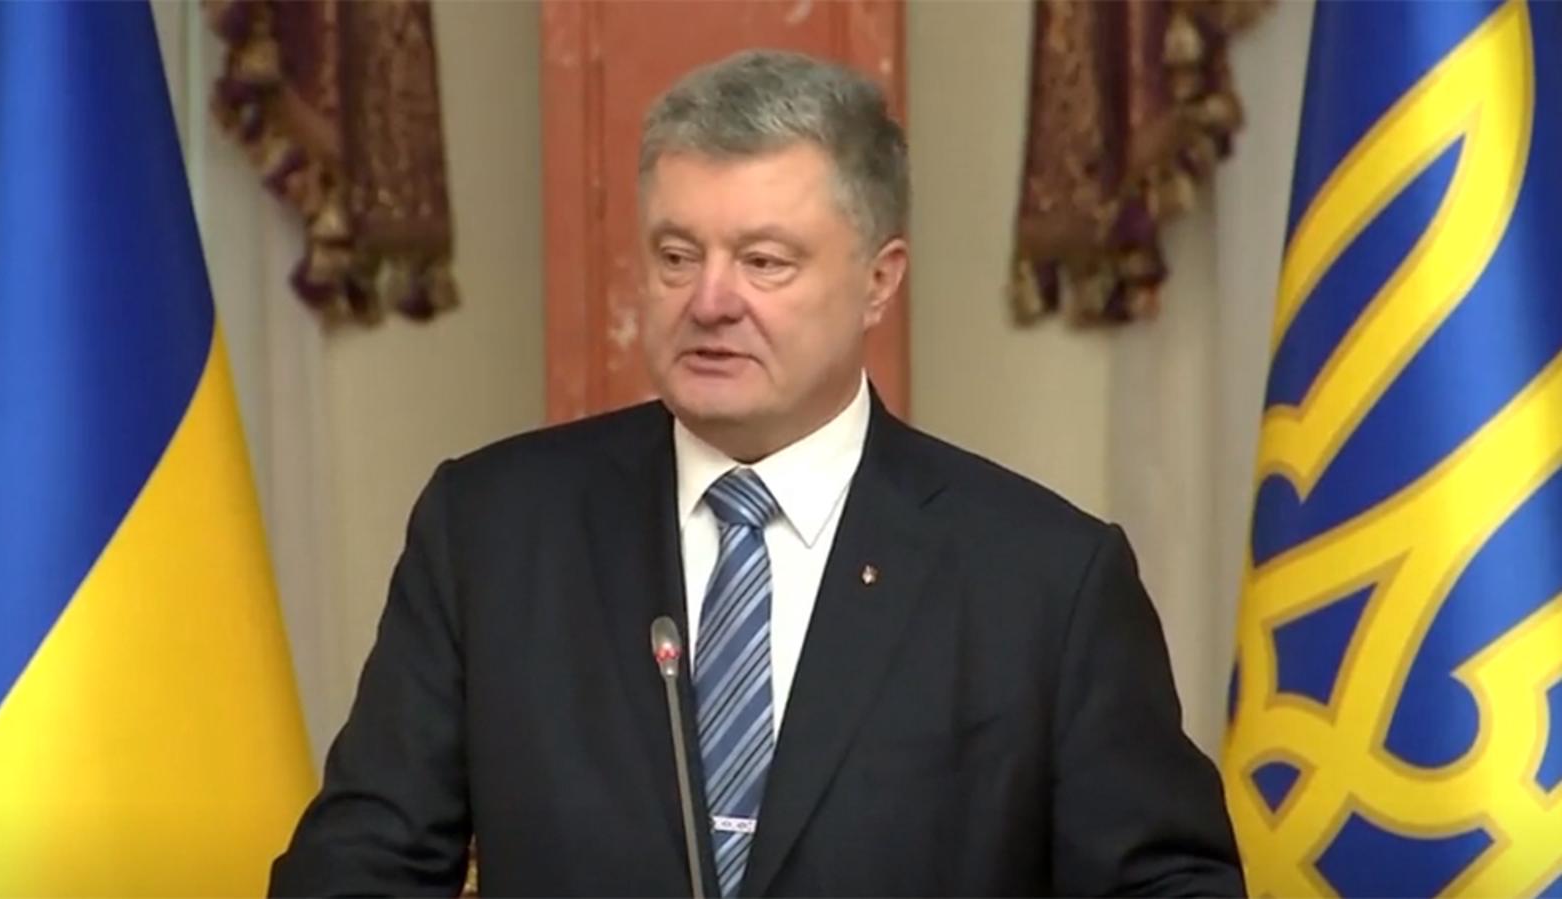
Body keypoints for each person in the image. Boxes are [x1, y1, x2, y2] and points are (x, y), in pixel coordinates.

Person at [270, 49, 1244, 897]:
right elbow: (356, 868)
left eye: (765, 261)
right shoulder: (491, 531)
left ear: (878, 279)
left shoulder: (1044, 580)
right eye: (676, 255)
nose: (709, 300)